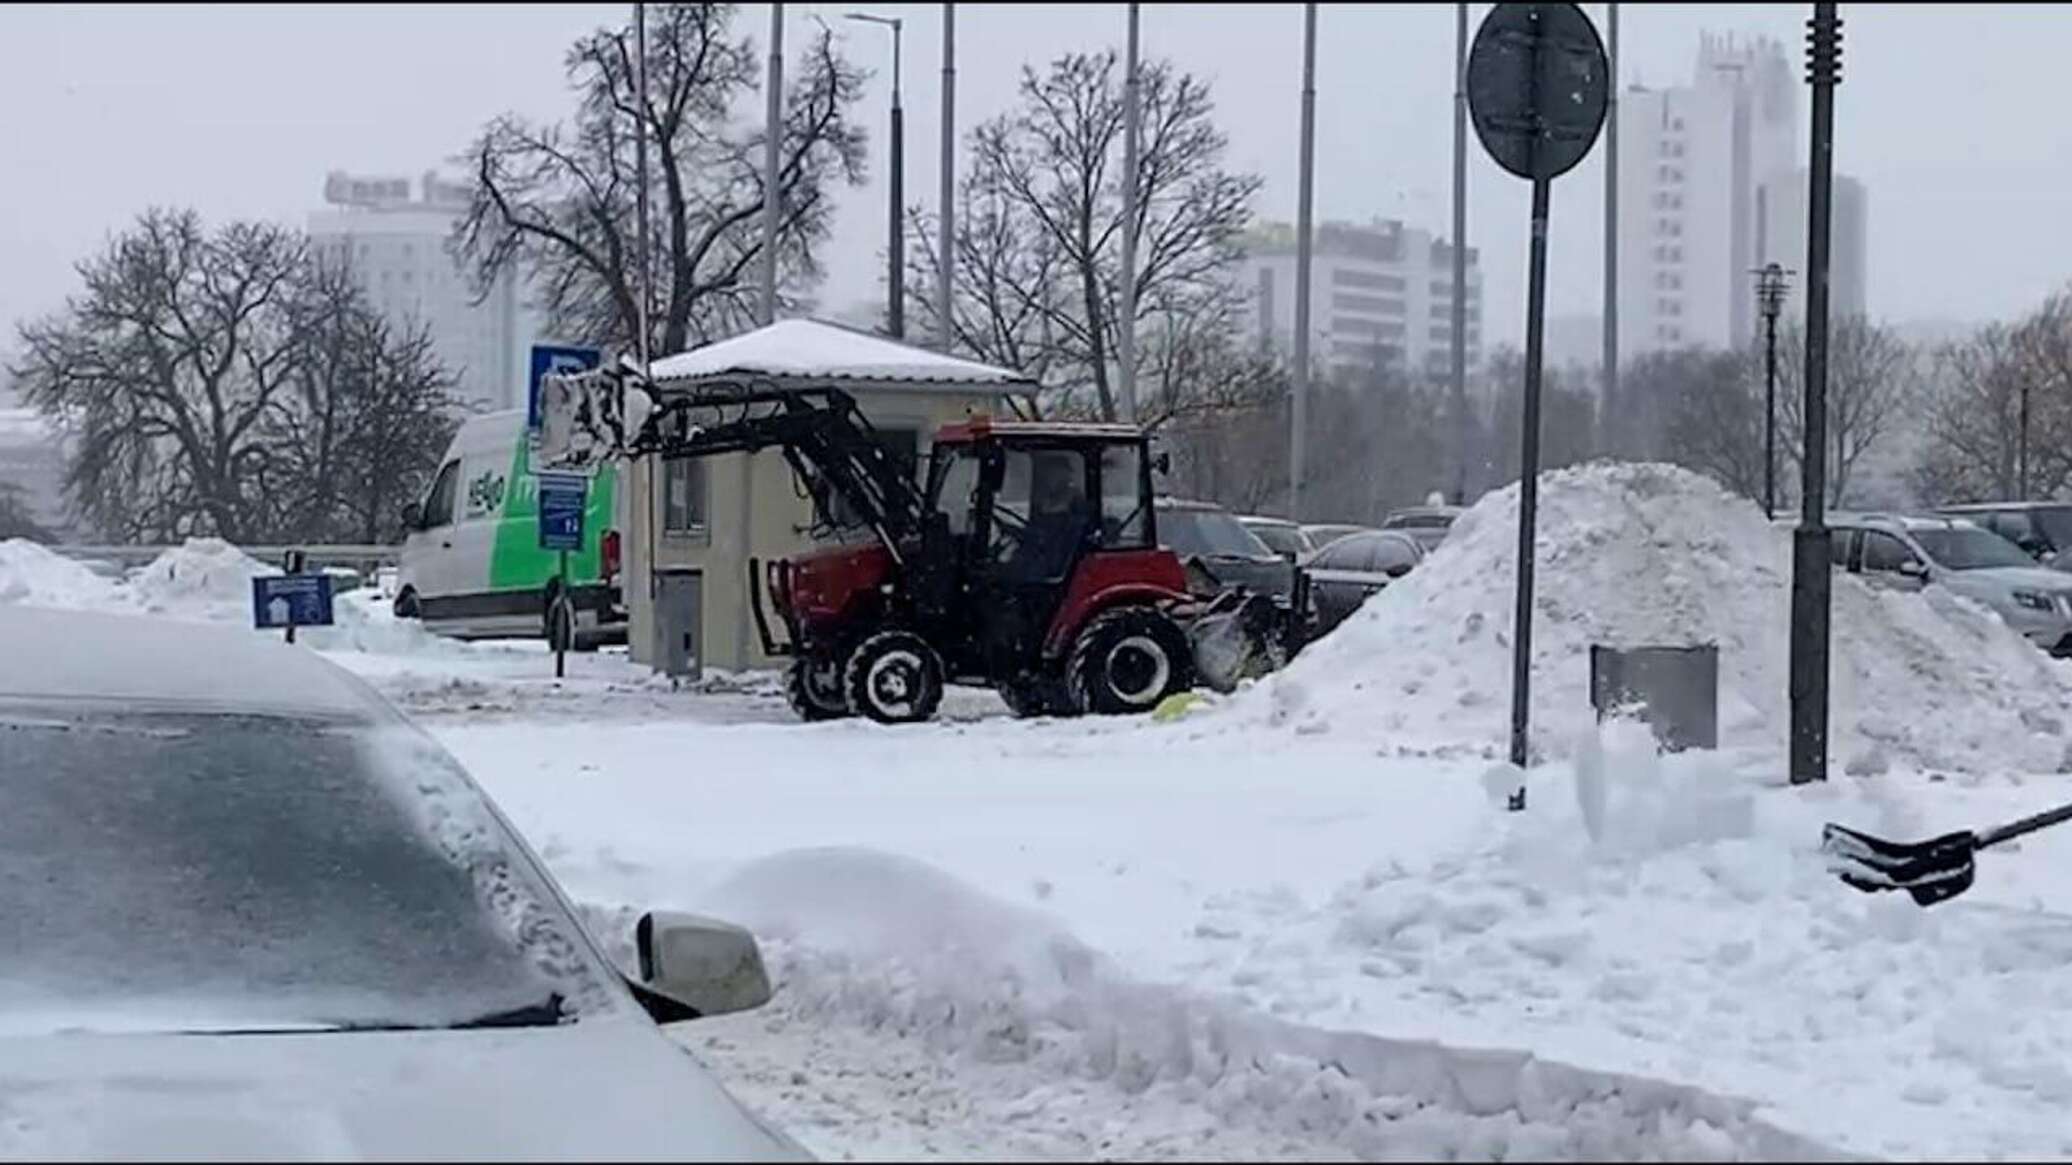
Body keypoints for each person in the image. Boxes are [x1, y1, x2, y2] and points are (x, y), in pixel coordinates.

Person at [1006, 452, 1091, 582]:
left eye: (1051, 471)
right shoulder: (1047, 498)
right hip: (1046, 547)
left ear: (1064, 473)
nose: (1047, 477)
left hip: (1060, 555)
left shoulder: (1073, 499)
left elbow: (1061, 532)